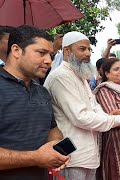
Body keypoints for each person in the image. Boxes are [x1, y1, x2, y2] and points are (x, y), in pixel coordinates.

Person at [44, 31, 120, 180]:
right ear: (67, 50)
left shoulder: (79, 75)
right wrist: (119, 120)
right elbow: (80, 117)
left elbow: (94, 108)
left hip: (87, 155)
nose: (88, 54)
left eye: (89, 49)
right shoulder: (61, 76)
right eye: (82, 49)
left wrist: (110, 116)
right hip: (72, 158)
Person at [0, 25, 69, 179]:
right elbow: (37, 157)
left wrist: (57, 148)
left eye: (51, 55)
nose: (49, 61)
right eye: (41, 53)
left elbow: (52, 129)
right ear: (16, 50)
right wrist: (35, 157)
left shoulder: (42, 92)